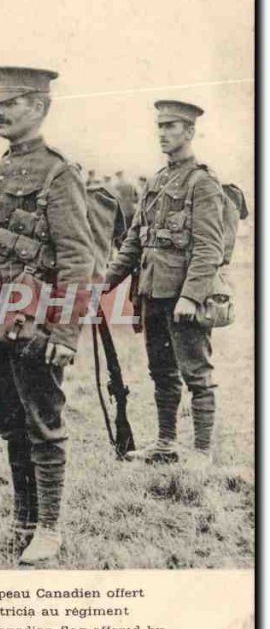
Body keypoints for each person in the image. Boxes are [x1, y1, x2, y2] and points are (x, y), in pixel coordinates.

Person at [0, 66, 95, 565]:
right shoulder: (1, 167)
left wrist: (65, 330)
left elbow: (77, 258)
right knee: (10, 420)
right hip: (0, 315)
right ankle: (20, 524)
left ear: (40, 108)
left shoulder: (59, 173)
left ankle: (48, 528)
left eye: (13, 102)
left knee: (43, 421)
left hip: (38, 320)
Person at [104, 101, 225, 467]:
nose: (163, 132)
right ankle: (166, 444)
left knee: (196, 372)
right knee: (162, 372)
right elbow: (135, 240)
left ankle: (202, 451)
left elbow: (209, 247)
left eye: (171, 126)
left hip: (183, 297)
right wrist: (106, 283)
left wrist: (191, 296)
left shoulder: (202, 182)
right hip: (153, 293)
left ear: (189, 132)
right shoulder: (157, 180)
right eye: (160, 126)